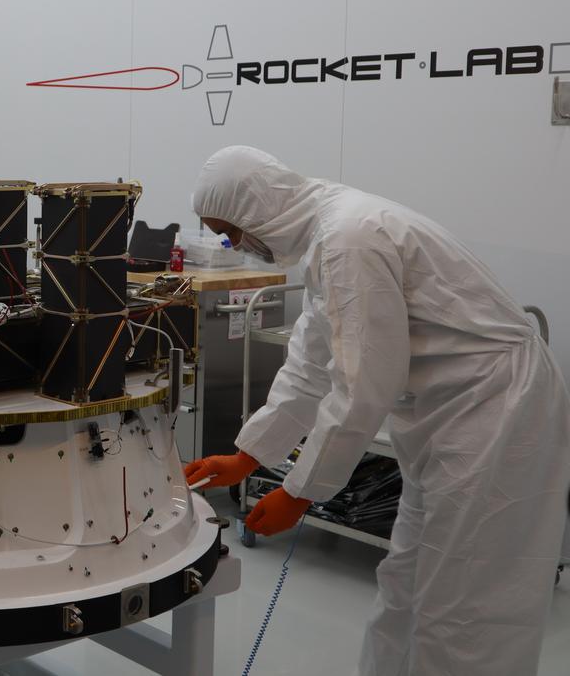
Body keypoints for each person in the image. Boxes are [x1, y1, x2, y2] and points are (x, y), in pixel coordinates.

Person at [183, 145, 570, 676]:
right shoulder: (327, 238)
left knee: (466, 602)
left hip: (495, 407)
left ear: (255, 209)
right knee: (406, 580)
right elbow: (310, 364)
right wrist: (248, 457)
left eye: (231, 233)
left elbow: (363, 385)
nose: (236, 246)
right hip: (453, 412)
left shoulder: (348, 238)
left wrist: (299, 492)